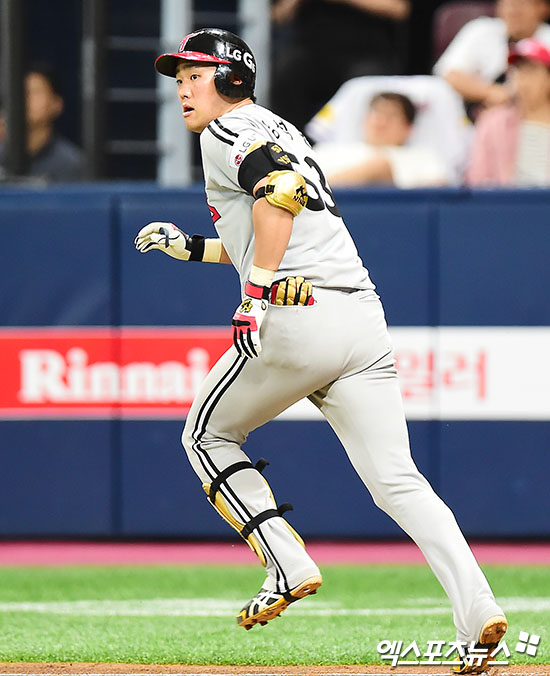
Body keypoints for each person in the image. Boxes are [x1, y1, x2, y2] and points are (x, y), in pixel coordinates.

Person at [135, 28, 507, 674]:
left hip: (294, 310)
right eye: (181, 79)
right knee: (398, 481)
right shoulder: (280, 127)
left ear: (230, 77)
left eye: (195, 75)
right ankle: (478, 613)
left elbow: (278, 194)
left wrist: (255, 294)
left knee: (205, 435)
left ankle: (286, 564)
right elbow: (273, 220)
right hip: (358, 317)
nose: (183, 89)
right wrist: (191, 248)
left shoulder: (225, 129)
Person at [270, 0, 411, 132]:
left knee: (365, 86)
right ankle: (287, 143)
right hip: (313, 50)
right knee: (287, 74)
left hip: (367, 52)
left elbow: (399, 9)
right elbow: (277, 16)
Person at [433, 0, 550, 113]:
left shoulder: (546, 40)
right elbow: (449, 73)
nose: (513, 10)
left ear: (543, 7)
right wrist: (490, 92)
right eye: (508, 3)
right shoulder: (481, 29)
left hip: (532, 118)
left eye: (521, 4)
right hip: (472, 115)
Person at [313, 92, 450, 188]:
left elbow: (439, 192)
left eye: (392, 115)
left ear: (408, 128)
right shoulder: (326, 152)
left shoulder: (424, 158)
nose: (381, 121)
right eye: (376, 113)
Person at [467, 38, 550, 186]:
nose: (523, 80)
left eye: (531, 71)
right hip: (509, 199)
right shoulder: (493, 121)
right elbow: (477, 178)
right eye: (518, 71)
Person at [0, 63, 85, 182]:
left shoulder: (72, 164)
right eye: (19, 92)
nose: (24, 99)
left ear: (56, 104)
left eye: (35, 92)